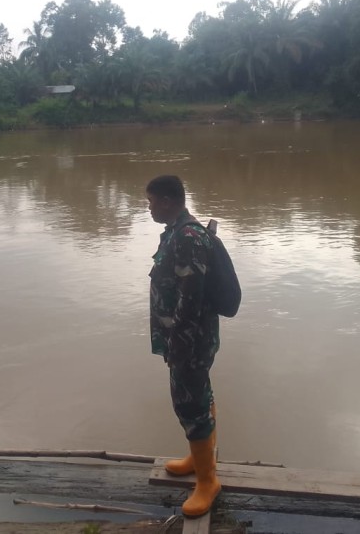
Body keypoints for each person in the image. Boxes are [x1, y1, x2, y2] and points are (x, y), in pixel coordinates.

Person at [146, 174, 221, 517]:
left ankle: (207, 482)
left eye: (150, 202)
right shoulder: (178, 230)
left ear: (166, 200)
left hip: (188, 340)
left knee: (189, 403)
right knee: (198, 395)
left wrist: (178, 345)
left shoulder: (188, 236)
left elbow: (190, 301)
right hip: (186, 338)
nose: (149, 208)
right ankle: (198, 457)